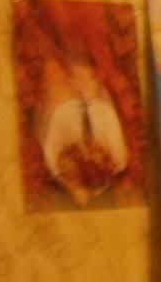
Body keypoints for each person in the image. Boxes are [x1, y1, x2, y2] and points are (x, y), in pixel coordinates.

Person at [42, 51, 129, 206]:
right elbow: (51, 154)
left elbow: (120, 154)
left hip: (104, 191)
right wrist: (70, 185)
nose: (84, 84)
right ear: (71, 82)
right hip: (70, 194)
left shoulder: (107, 113)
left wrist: (103, 174)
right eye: (79, 79)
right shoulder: (61, 114)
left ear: (96, 81)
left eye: (90, 78)